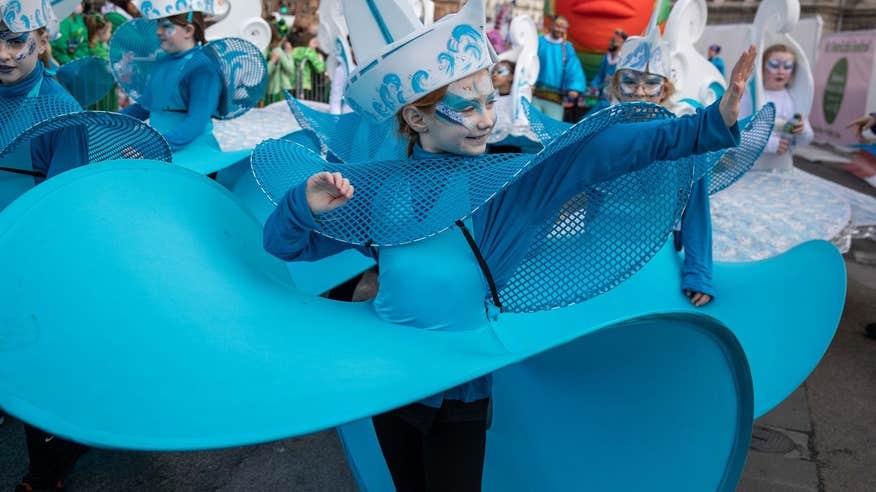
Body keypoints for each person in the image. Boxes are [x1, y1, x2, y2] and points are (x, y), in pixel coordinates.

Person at [261, 1, 758, 488]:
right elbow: (285, 247)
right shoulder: (380, 190)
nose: (485, 119)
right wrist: (302, 205)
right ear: (415, 118)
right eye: (467, 106)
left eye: (489, 101)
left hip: (459, 392)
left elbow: (600, 150)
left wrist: (710, 123)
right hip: (391, 382)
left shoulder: (507, 188)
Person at [1, 1, 91, 489]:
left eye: (16, 40)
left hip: (30, 253)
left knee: (35, 355)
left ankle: (48, 468)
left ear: (42, 37)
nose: (3, 54)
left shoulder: (60, 110)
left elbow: (63, 205)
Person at [608, 28, 714, 307]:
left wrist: (698, 273)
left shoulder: (687, 139)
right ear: (616, 86)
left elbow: (696, 209)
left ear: (665, 88)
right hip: (601, 250)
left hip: (655, 255)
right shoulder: (598, 130)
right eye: (630, 82)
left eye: (651, 83)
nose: (640, 92)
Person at [120, 2, 223, 154]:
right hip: (162, 148)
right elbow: (145, 106)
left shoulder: (203, 67)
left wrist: (152, 148)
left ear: (188, 30)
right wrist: (107, 120)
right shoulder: (162, 61)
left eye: (166, 26)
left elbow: (196, 123)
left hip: (194, 155)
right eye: (158, 25)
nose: (158, 32)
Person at [739, 44, 813, 170]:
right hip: (750, 169)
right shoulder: (749, 96)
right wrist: (769, 144)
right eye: (774, 65)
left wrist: (802, 130)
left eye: (787, 66)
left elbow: (807, 139)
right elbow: (736, 134)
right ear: (762, 68)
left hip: (782, 169)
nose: (781, 71)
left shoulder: (793, 99)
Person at [532, 15, 586, 122]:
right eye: (557, 26)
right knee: (532, 126)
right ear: (551, 25)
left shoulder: (567, 47)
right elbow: (528, 62)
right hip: (535, 94)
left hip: (556, 97)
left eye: (563, 28)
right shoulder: (538, 42)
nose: (560, 30)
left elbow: (574, 67)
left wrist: (574, 87)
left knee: (552, 126)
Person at [590, 29, 627, 101]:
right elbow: (600, 75)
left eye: (614, 41)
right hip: (604, 95)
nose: (611, 44)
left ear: (622, 44)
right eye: (611, 41)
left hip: (618, 97)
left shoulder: (624, 60)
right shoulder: (607, 57)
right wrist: (594, 86)